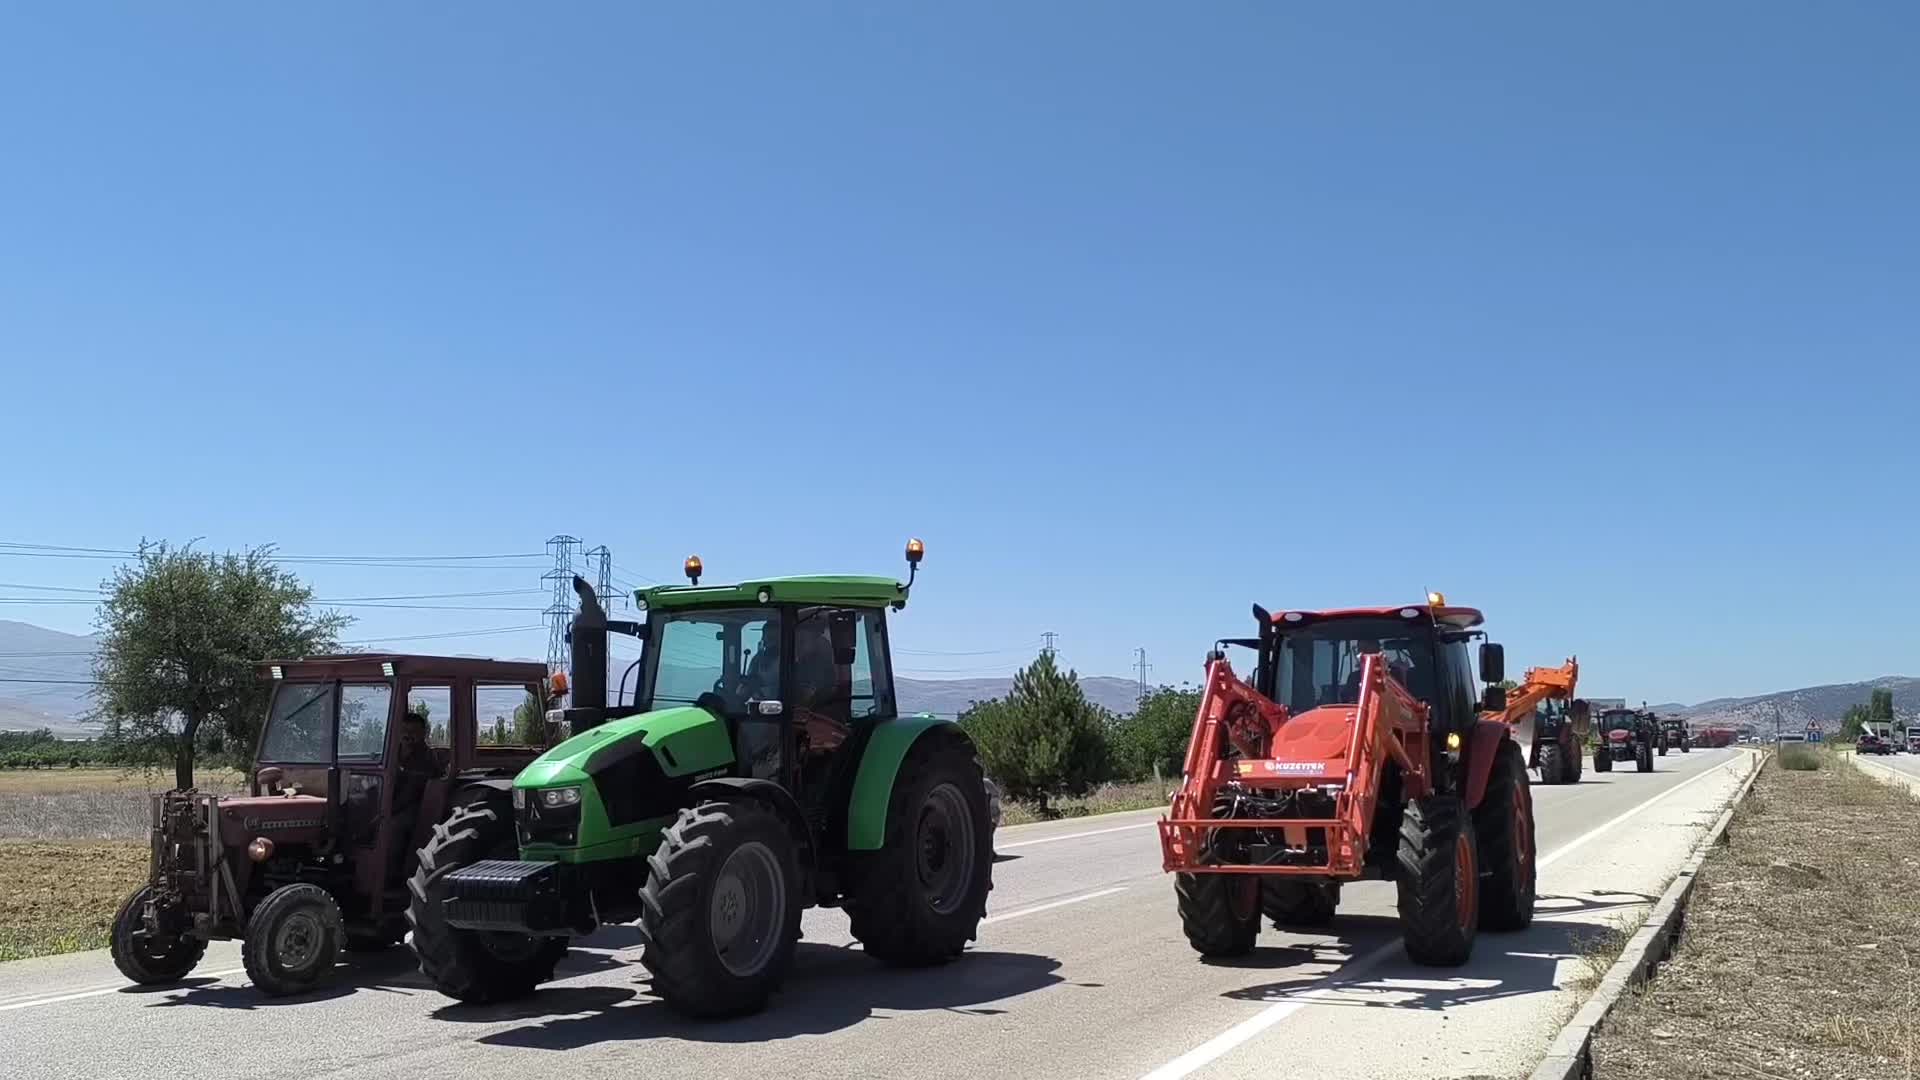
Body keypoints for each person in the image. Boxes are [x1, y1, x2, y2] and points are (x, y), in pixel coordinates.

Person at [388, 711, 438, 881]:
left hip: (418, 806)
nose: (408, 736)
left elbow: (411, 792)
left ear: (423, 734)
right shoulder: (392, 752)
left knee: (394, 826)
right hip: (392, 801)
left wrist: (388, 811)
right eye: (404, 731)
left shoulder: (427, 757)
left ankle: (391, 875)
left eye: (413, 732)